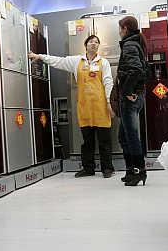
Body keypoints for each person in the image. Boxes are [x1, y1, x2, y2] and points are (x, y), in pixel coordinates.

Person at [28, 35, 115, 178]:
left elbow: (108, 82)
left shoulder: (103, 62)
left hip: (101, 108)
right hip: (85, 107)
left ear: (98, 46)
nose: (94, 44)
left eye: (96, 42)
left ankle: (107, 168)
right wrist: (40, 56)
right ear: (85, 45)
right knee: (87, 141)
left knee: (104, 140)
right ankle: (88, 169)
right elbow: (59, 61)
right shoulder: (76, 61)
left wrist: (109, 103)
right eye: (91, 42)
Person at [116, 16, 148, 187]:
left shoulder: (129, 45)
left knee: (132, 136)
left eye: (120, 28)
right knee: (124, 136)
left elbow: (135, 70)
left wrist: (128, 91)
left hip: (131, 99)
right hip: (137, 97)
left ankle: (139, 171)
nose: (119, 32)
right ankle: (130, 170)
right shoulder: (136, 43)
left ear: (126, 29)